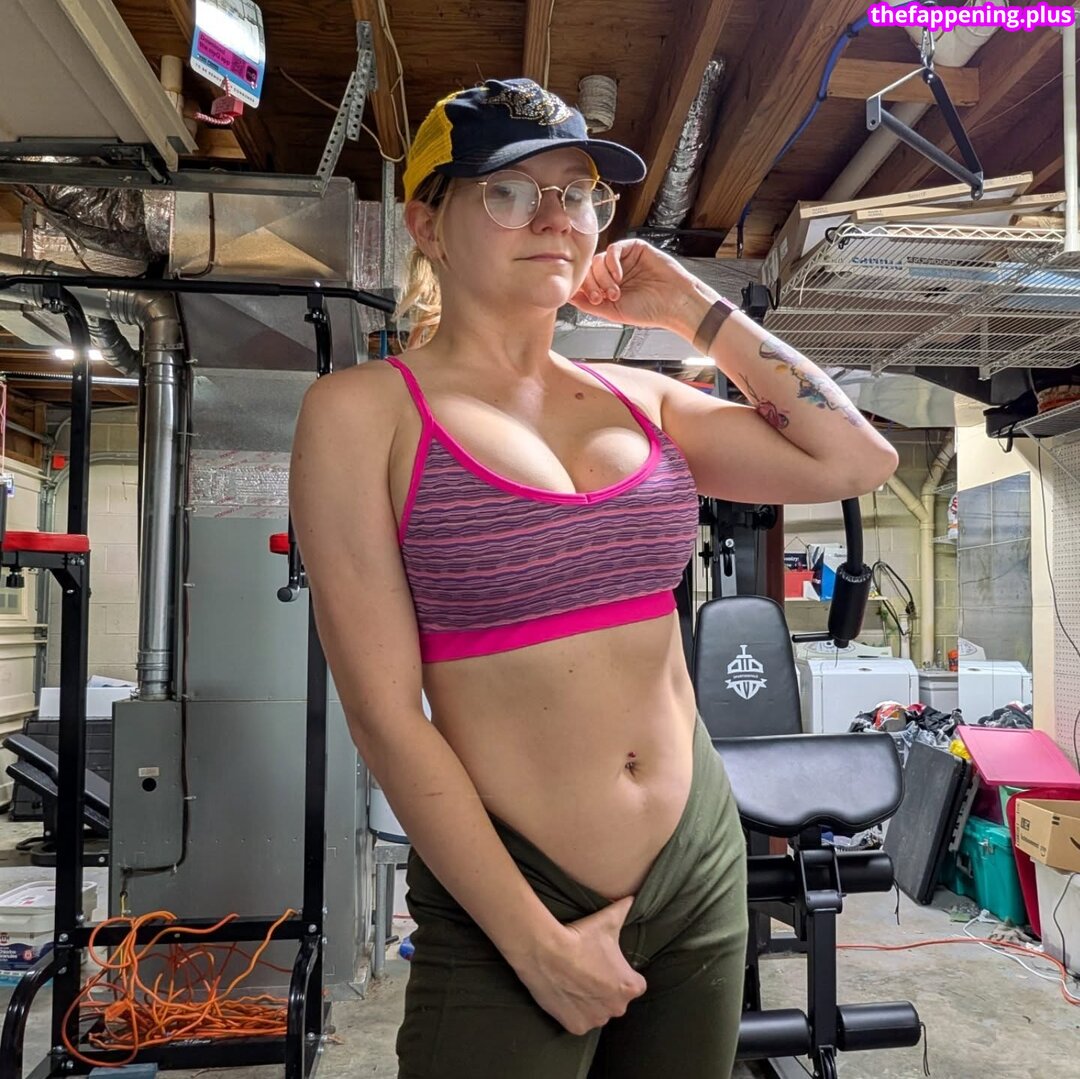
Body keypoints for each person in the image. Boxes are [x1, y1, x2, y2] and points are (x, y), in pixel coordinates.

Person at [289, 77, 899, 1079]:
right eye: (508, 192)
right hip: (515, 890)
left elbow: (855, 458)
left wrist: (692, 309)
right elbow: (384, 714)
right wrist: (532, 941)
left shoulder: (641, 398)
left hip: (696, 865)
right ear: (427, 224)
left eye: (576, 193)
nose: (556, 219)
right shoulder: (362, 414)